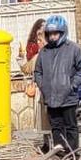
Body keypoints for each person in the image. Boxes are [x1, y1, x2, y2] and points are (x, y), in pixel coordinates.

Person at [30, 16, 81, 160]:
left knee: (71, 128)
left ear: (62, 32)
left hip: (68, 97)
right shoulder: (44, 52)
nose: (52, 37)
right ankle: (61, 155)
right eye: (50, 34)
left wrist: (73, 84)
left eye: (55, 33)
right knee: (56, 128)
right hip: (50, 98)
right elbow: (37, 72)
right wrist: (43, 86)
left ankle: (73, 155)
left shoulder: (73, 49)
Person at [22, 18, 50, 152]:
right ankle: (47, 144)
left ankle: (53, 145)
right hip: (41, 92)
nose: (38, 43)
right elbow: (27, 68)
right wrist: (20, 59)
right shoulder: (37, 56)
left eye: (40, 40)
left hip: (50, 92)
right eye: (38, 40)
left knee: (49, 120)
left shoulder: (52, 55)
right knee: (43, 120)